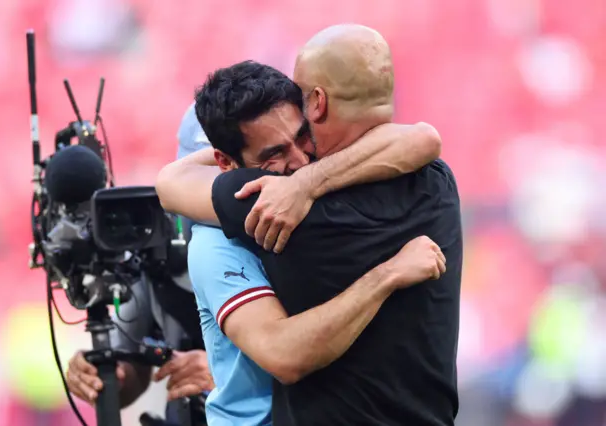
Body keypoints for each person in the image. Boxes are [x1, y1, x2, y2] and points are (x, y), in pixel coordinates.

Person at [157, 24, 462, 426]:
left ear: (315, 104)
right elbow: (423, 139)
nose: (300, 160)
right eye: (275, 152)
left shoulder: (276, 203)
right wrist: (388, 274)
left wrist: (302, 185)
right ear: (224, 162)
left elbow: (170, 183)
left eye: (302, 135)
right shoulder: (439, 183)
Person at [65, 106, 215, 425]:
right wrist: (105, 375)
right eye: (202, 173)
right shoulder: (153, 242)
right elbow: (132, 374)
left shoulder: (290, 234)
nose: (214, 192)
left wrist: (229, 375)